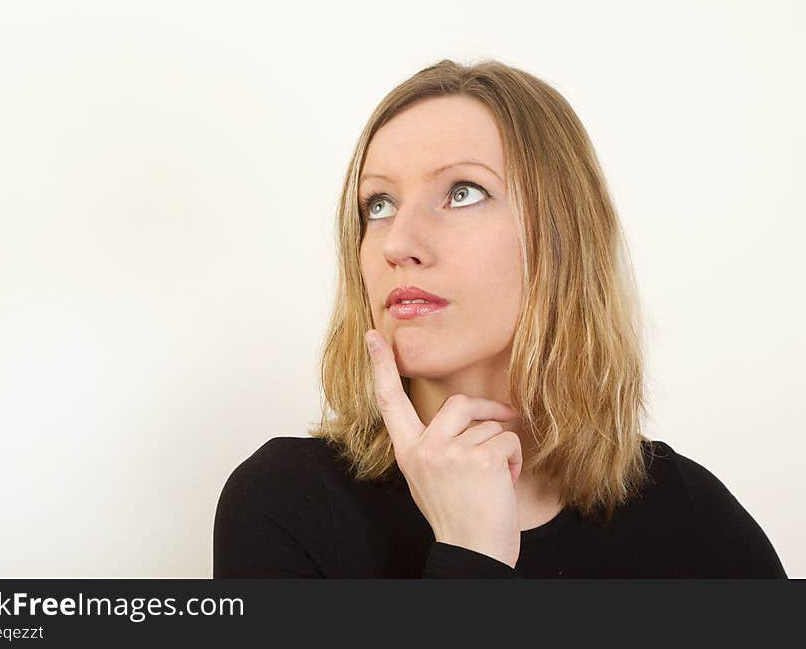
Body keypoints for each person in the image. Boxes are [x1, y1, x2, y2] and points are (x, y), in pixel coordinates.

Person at [213, 58, 787, 578]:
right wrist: (471, 555)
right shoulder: (287, 502)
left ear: (562, 239)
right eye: (378, 205)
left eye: (462, 192)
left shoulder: (691, 515)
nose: (399, 242)